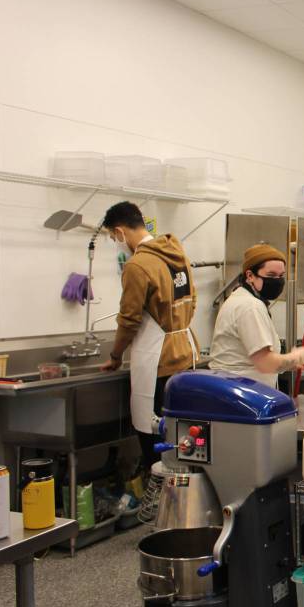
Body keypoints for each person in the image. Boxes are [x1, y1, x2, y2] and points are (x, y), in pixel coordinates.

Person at [99, 202, 198, 472]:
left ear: (120, 232)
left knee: (155, 441)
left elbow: (128, 320)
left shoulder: (138, 265)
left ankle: (161, 507)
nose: (116, 243)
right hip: (186, 354)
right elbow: (192, 301)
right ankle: (187, 503)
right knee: (183, 441)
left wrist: (115, 356)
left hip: (159, 360)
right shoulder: (178, 254)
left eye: (112, 238)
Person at [209, 244, 304, 388]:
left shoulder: (242, 299)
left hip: (241, 391)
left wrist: (288, 363)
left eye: (281, 276)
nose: (277, 281)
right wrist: (296, 358)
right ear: (250, 275)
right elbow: (265, 363)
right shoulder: (249, 307)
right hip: (242, 394)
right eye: (271, 275)